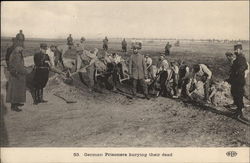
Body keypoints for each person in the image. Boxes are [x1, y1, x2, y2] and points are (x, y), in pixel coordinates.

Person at [225, 43, 248, 120]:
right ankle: (238, 111)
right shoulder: (237, 58)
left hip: (239, 80)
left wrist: (237, 72)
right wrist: (230, 78)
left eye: (237, 49)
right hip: (235, 80)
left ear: (240, 50)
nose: (235, 51)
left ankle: (240, 113)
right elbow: (233, 69)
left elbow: (244, 66)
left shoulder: (241, 58)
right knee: (234, 93)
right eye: (235, 49)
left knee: (239, 95)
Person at [6, 46, 28, 112]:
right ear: (18, 47)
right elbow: (18, 66)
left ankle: (17, 102)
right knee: (14, 91)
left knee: (18, 90)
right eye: (21, 48)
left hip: (17, 74)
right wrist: (25, 71)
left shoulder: (17, 53)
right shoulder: (16, 54)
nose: (22, 49)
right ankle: (13, 106)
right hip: (15, 74)